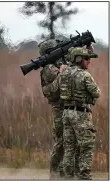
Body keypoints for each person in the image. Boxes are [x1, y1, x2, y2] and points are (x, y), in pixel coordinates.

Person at [43, 47, 100, 179]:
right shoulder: (85, 75)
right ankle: (84, 176)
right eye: (86, 58)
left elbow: (53, 90)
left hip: (66, 114)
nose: (89, 61)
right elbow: (97, 92)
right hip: (81, 114)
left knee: (69, 148)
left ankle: (67, 177)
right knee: (86, 146)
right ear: (79, 59)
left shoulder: (63, 73)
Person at [39, 39, 67, 179]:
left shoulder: (57, 64)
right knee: (60, 142)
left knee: (68, 142)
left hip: (67, 108)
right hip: (59, 109)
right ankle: (54, 174)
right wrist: (62, 72)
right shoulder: (48, 69)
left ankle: (64, 174)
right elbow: (55, 87)